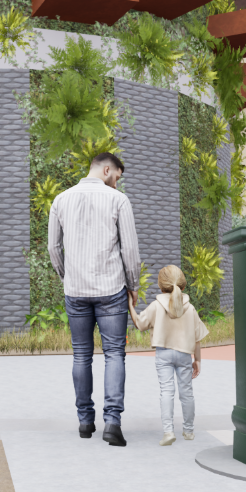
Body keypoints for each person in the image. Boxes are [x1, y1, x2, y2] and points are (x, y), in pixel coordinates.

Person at [48, 152, 141, 447]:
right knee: (114, 354)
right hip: (111, 289)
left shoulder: (60, 200)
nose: (117, 182)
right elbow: (130, 250)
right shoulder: (118, 201)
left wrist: (67, 277)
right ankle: (112, 423)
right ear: (106, 169)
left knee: (81, 354)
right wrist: (133, 283)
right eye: (116, 176)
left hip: (75, 290)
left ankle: (85, 422)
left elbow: (53, 247)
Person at [128, 266, 209, 446]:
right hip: (185, 355)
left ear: (161, 285)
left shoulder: (157, 305)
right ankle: (188, 431)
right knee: (187, 393)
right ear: (182, 284)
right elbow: (197, 338)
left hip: (163, 353)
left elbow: (140, 324)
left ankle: (168, 432)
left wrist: (130, 306)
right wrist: (198, 360)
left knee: (167, 392)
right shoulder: (190, 308)